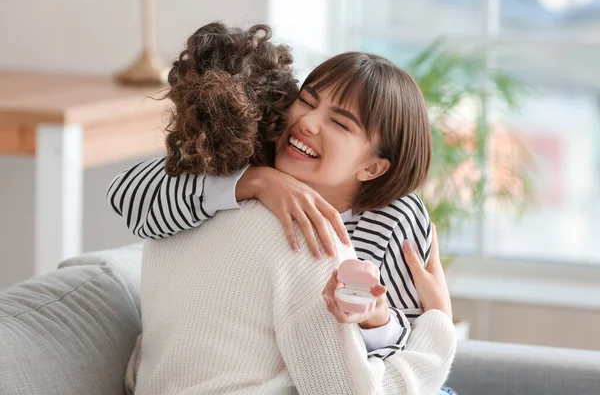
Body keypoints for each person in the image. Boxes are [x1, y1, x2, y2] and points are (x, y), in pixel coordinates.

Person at [108, 22, 456, 394]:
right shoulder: (251, 171)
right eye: (307, 101)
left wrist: (377, 319)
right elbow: (129, 192)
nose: (307, 122)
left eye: (339, 123)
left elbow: (409, 337)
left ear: (372, 167)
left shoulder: (396, 220)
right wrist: (253, 181)